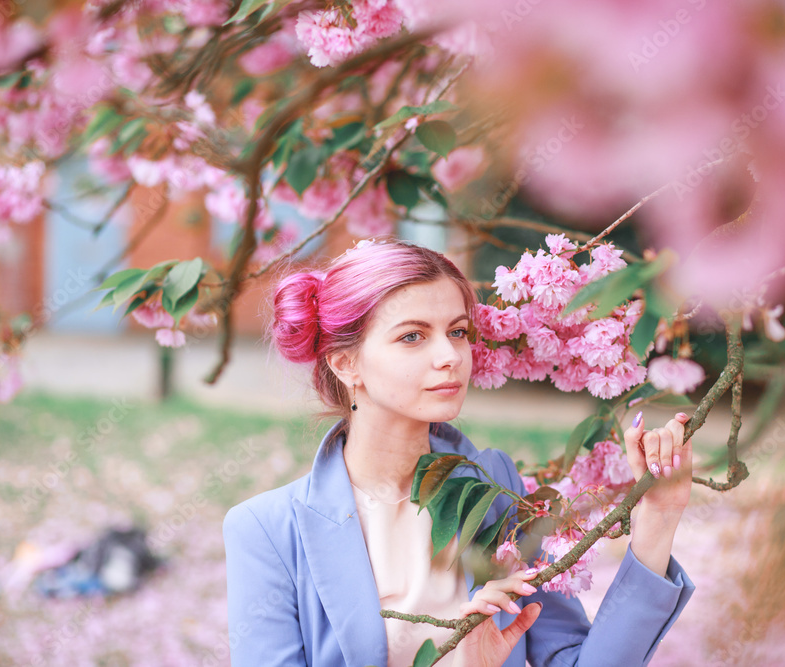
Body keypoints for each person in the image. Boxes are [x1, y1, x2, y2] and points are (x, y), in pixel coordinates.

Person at [223, 239, 696, 667]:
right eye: (412, 336)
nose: (450, 356)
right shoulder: (268, 531)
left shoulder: (496, 484)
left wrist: (659, 516)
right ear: (347, 363)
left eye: (457, 331)